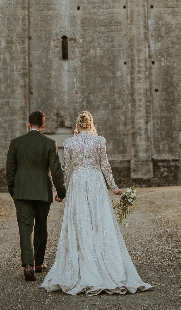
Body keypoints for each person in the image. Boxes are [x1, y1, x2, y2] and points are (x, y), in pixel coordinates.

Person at [41, 110, 152, 296]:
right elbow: (105, 165)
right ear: (91, 124)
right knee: (99, 221)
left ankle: (82, 265)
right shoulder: (99, 141)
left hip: (77, 183)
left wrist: (59, 192)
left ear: (77, 125)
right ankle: (105, 265)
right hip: (95, 182)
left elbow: (65, 169)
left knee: (80, 221)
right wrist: (114, 187)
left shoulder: (69, 143)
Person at [6, 110, 66, 282]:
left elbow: (10, 171)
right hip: (42, 191)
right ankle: (39, 263)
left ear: (28, 124)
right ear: (43, 125)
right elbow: (56, 171)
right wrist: (61, 192)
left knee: (25, 228)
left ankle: (28, 266)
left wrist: (13, 190)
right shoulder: (49, 143)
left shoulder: (16, 143)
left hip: (22, 192)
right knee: (41, 226)